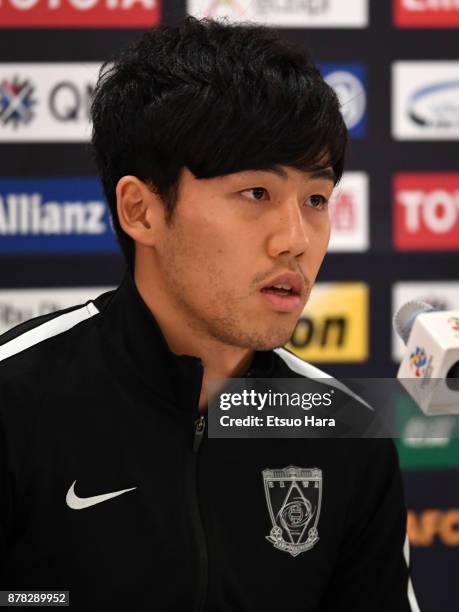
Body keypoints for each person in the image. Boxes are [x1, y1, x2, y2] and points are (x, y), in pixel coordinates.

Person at [0, 16, 420, 612]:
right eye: (256, 193)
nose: (295, 240)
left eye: (316, 199)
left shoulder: (345, 430)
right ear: (141, 210)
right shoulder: (14, 403)